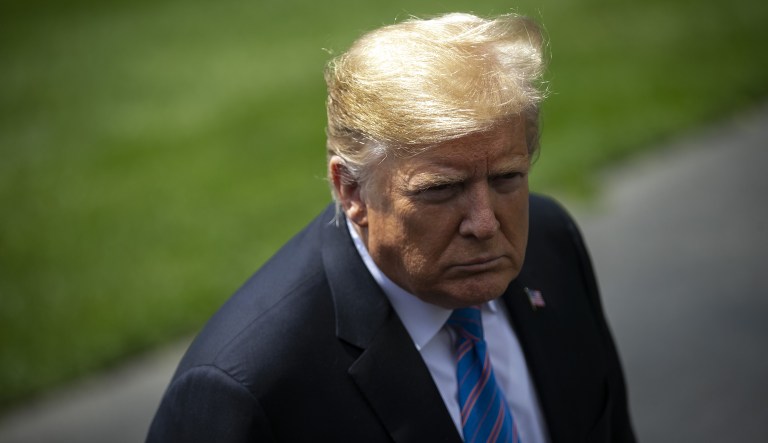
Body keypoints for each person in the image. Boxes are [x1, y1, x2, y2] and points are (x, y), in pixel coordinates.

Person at [147, 12, 635, 443]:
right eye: (441, 189)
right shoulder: (246, 388)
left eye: (507, 178)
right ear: (352, 190)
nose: (485, 224)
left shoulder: (552, 242)